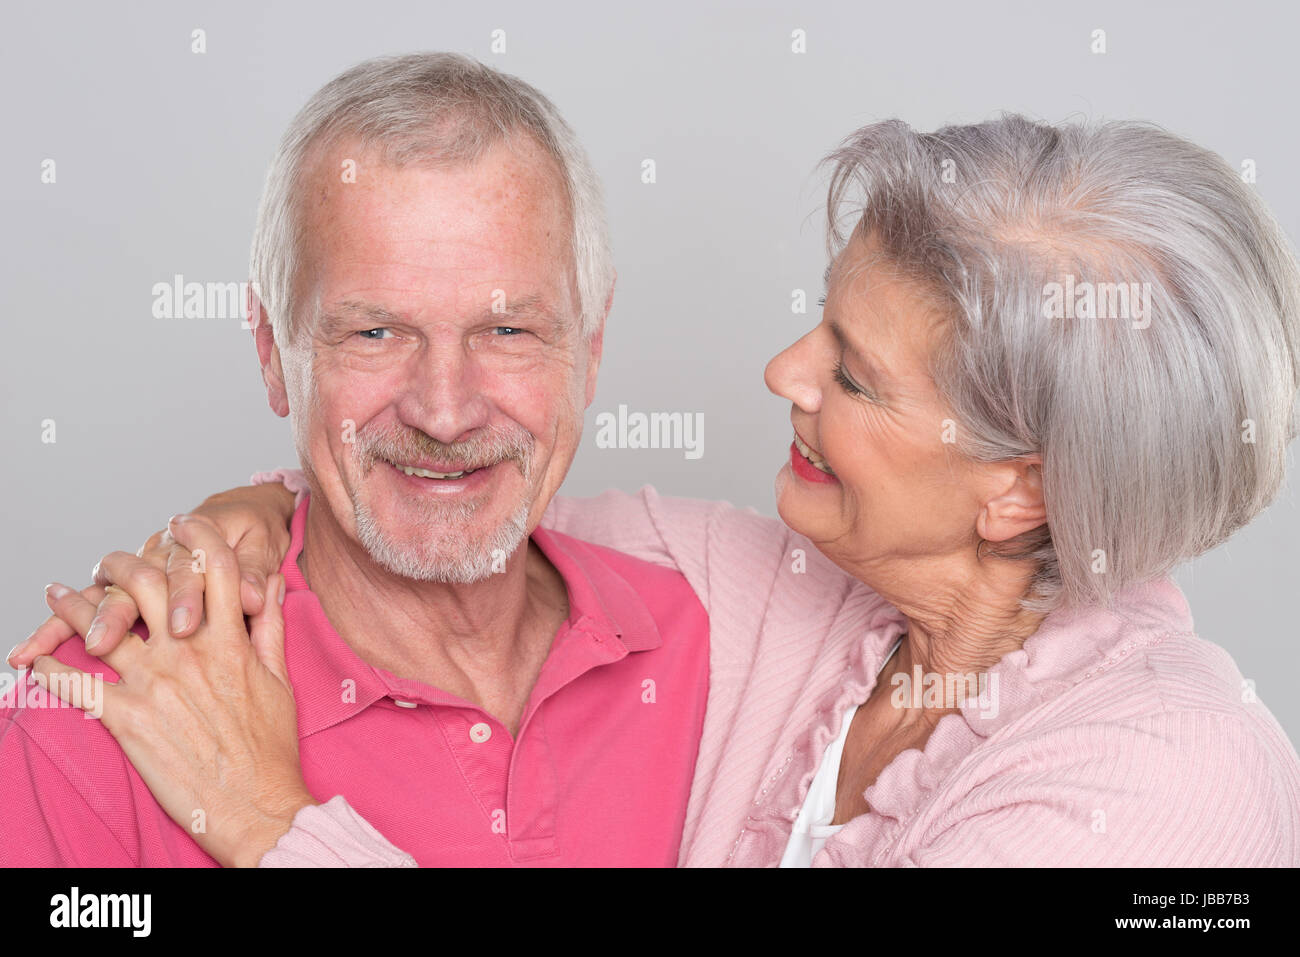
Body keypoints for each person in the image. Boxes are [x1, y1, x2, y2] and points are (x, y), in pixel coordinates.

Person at [15, 113, 1300, 867]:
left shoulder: (1171, 788)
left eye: (851, 379)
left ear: (1020, 492)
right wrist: (230, 537)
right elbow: (447, 491)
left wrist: (268, 820)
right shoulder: (769, 598)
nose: (781, 373)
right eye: (818, 323)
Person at [0, 52, 712, 867]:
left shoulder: (718, 644)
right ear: (273, 352)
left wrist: (268, 822)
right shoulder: (98, 711)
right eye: (375, 332)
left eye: (507, 330)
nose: (444, 413)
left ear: (590, 347)